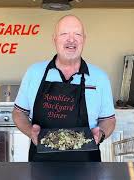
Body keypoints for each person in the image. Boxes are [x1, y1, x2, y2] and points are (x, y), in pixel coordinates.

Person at [12, 15, 116, 162]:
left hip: (87, 164)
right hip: (41, 163)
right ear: (54, 39)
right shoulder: (34, 73)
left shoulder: (100, 77)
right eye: (64, 34)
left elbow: (109, 120)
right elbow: (18, 113)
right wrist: (31, 132)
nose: (71, 39)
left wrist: (101, 134)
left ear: (84, 40)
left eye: (77, 34)